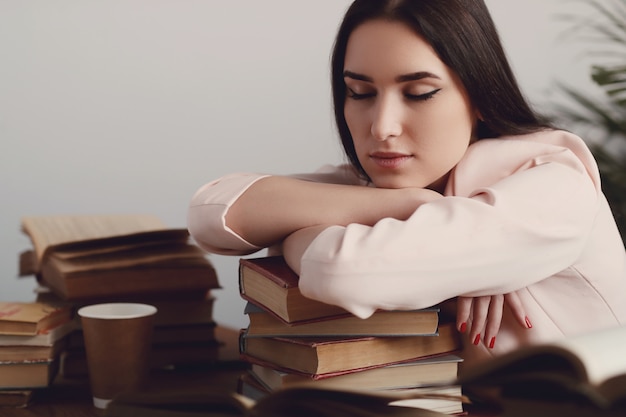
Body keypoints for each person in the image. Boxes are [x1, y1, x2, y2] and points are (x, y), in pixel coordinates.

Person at [187, 0, 626, 368]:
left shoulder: (554, 187)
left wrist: (294, 233)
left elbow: (342, 270)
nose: (382, 127)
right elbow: (212, 213)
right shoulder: (387, 189)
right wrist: (412, 205)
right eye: (360, 93)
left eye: (418, 93)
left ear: (479, 96)